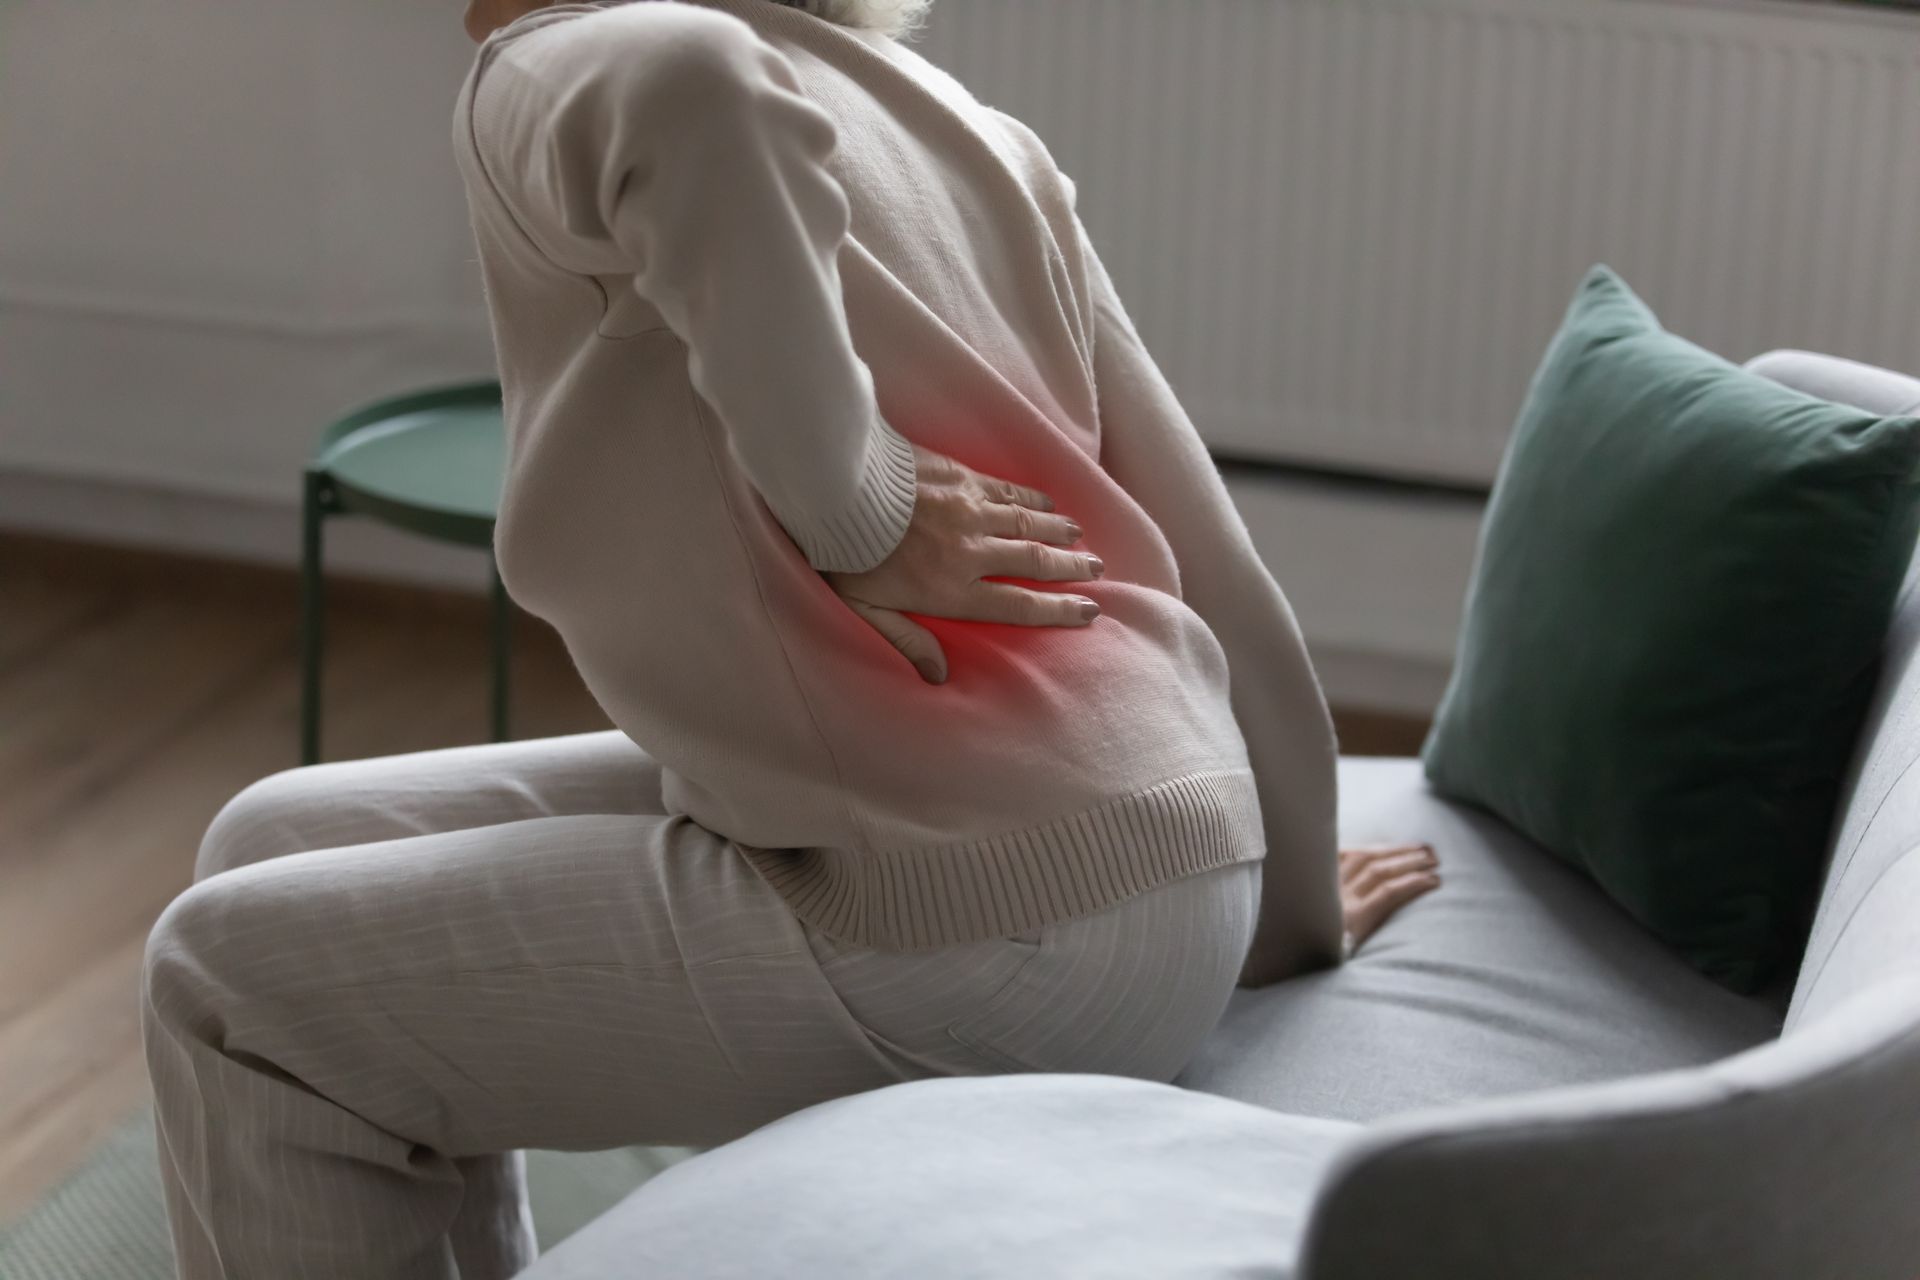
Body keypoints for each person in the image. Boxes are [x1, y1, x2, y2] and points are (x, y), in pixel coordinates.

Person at [140, 1, 1442, 1275]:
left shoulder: (562, 53)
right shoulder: (960, 126)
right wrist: (1287, 908)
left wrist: (862, 511)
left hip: (984, 917)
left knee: (229, 990)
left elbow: (686, 76)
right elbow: (1205, 545)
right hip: (1151, 848)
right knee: (273, 840)